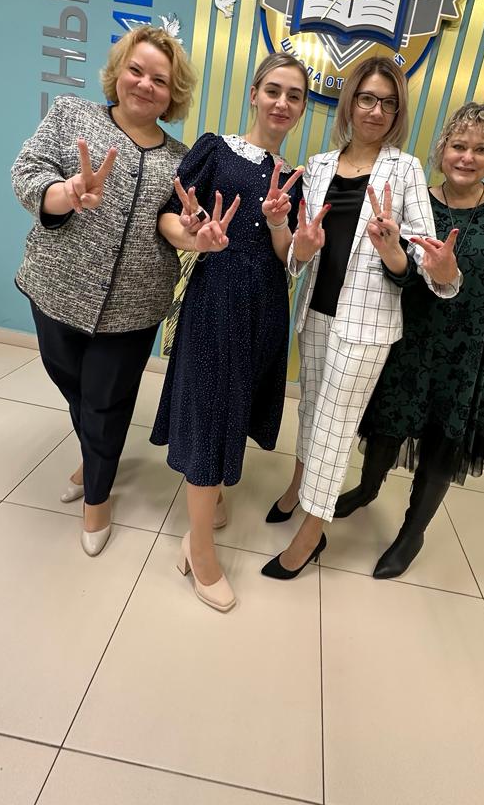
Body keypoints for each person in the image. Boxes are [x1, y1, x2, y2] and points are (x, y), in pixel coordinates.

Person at [11, 25, 236, 557]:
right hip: (55, 288)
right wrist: (65, 192)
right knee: (76, 389)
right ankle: (95, 456)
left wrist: (195, 236)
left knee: (106, 403)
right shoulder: (72, 115)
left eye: (160, 80)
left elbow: (175, 223)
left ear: (173, 94)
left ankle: (97, 497)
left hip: (133, 310)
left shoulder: (181, 158)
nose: (145, 84)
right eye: (136, 71)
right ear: (118, 73)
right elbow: (27, 172)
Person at [335, 102, 484, 579]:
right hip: (410, 340)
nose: (467, 157)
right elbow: (397, 274)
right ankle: (367, 489)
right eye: (459, 145)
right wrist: (392, 251)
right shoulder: (417, 200)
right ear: (442, 149)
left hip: (473, 350)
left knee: (443, 440)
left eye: (481, 149)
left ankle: (412, 532)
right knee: (386, 425)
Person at [261, 56, 462, 581]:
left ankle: (311, 534)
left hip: (368, 327)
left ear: (397, 113)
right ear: (350, 102)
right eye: (367, 98)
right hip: (316, 312)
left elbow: (423, 258)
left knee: (335, 427)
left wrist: (400, 252)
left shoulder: (406, 169)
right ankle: (296, 487)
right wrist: (298, 245)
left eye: (388, 103)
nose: (376, 110)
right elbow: (299, 253)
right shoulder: (319, 165)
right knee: (311, 411)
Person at [151, 51, 308, 612]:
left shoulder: (295, 176)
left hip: (265, 305)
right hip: (216, 297)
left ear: (303, 107)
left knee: (233, 408)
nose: (282, 103)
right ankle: (200, 551)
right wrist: (191, 234)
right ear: (254, 93)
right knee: (210, 412)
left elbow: (288, 257)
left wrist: (280, 222)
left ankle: (210, 498)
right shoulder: (216, 149)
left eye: (294, 95)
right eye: (274, 90)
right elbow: (169, 216)